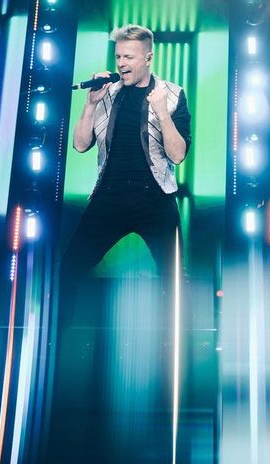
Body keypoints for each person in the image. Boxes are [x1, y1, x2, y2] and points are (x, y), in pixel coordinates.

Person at [66, 24, 191, 329]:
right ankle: (55, 332)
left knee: (174, 278)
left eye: (129, 57)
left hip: (154, 198)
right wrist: (91, 103)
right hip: (109, 195)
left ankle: (175, 342)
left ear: (148, 57)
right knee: (70, 267)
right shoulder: (107, 93)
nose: (121, 64)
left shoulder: (172, 94)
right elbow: (80, 144)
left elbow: (178, 155)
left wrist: (162, 112)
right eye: (119, 56)